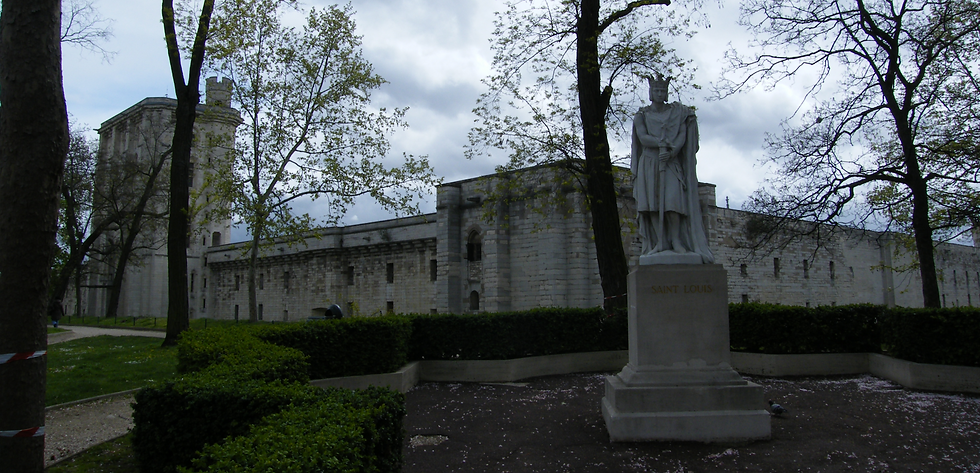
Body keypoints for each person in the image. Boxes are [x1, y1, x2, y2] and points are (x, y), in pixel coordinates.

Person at [631, 74, 713, 264]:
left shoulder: (677, 113)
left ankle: (675, 240)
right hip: (650, 162)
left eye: (663, 90)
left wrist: (672, 150)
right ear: (651, 93)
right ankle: (659, 242)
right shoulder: (642, 115)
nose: (660, 93)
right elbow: (643, 137)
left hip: (670, 161)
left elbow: (683, 134)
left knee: (672, 202)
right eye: (656, 90)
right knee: (651, 204)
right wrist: (659, 143)